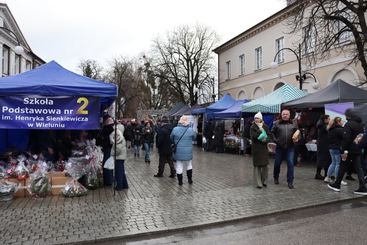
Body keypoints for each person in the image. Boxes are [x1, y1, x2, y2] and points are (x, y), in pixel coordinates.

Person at [328, 109, 367, 195]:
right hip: (357, 149)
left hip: (349, 150)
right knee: (358, 168)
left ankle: (337, 185)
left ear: (348, 115)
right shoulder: (360, 125)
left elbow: (346, 138)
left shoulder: (348, 124)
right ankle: (363, 187)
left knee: (342, 166)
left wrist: (344, 150)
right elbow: (360, 137)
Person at [272, 109, 299, 189]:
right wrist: (276, 140)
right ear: (281, 115)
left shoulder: (293, 123)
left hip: (290, 147)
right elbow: (272, 132)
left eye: (287, 114)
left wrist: (297, 138)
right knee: (277, 163)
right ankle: (276, 177)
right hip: (279, 147)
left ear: (289, 115)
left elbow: (298, 133)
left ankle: (290, 182)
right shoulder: (277, 123)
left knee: (290, 163)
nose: (285, 115)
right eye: (283, 114)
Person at [170, 115, 196, 185]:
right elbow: (194, 138)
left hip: (178, 151)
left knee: (179, 166)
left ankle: (180, 182)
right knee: (189, 165)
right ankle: (190, 180)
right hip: (188, 151)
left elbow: (171, 138)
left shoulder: (175, 129)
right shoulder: (190, 130)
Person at [250, 112, 271, 188]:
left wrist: (266, 140)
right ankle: (259, 183)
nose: (256, 119)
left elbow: (269, 135)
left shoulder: (265, 126)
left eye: (257, 118)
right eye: (255, 118)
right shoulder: (252, 127)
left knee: (265, 166)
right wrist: (259, 131)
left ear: (261, 119)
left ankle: (264, 181)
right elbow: (253, 136)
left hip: (264, 148)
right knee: (257, 167)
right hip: (256, 149)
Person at [324, 117, 347, 185]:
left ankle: (327, 177)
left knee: (333, 163)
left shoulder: (330, 129)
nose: (343, 122)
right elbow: (345, 138)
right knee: (338, 164)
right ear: (338, 122)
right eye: (342, 121)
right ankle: (338, 179)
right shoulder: (340, 129)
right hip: (337, 148)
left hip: (331, 148)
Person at [109, 120, 128, 190]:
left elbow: (118, 148)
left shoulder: (118, 136)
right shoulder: (121, 135)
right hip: (121, 156)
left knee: (118, 172)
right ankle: (125, 184)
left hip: (118, 157)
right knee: (122, 171)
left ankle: (119, 186)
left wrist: (112, 154)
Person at [315, 115, 331, 180]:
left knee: (322, 159)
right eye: (329, 119)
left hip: (322, 144)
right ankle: (320, 174)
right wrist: (330, 124)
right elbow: (327, 130)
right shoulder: (322, 126)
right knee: (324, 159)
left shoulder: (321, 124)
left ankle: (323, 174)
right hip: (323, 144)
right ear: (325, 119)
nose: (329, 120)